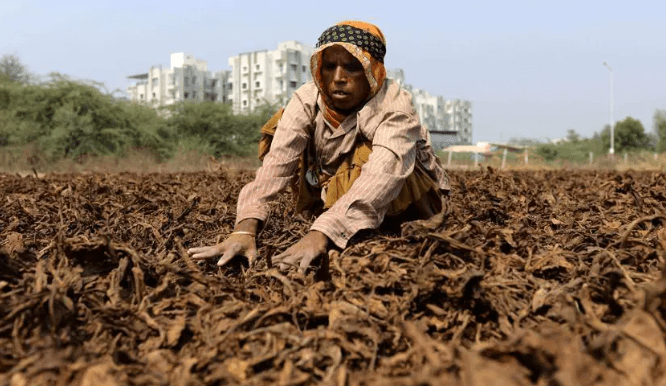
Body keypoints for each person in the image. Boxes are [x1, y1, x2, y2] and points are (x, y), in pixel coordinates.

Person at [188, 21, 450, 273]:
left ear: (373, 71)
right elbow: (276, 165)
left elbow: (382, 175)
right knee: (279, 126)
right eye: (330, 66)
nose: (338, 78)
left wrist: (321, 233)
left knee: (369, 154)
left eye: (352, 67)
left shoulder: (394, 107)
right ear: (318, 69)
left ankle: (353, 224)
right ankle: (333, 214)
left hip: (408, 202)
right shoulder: (307, 98)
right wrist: (244, 229)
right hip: (333, 188)